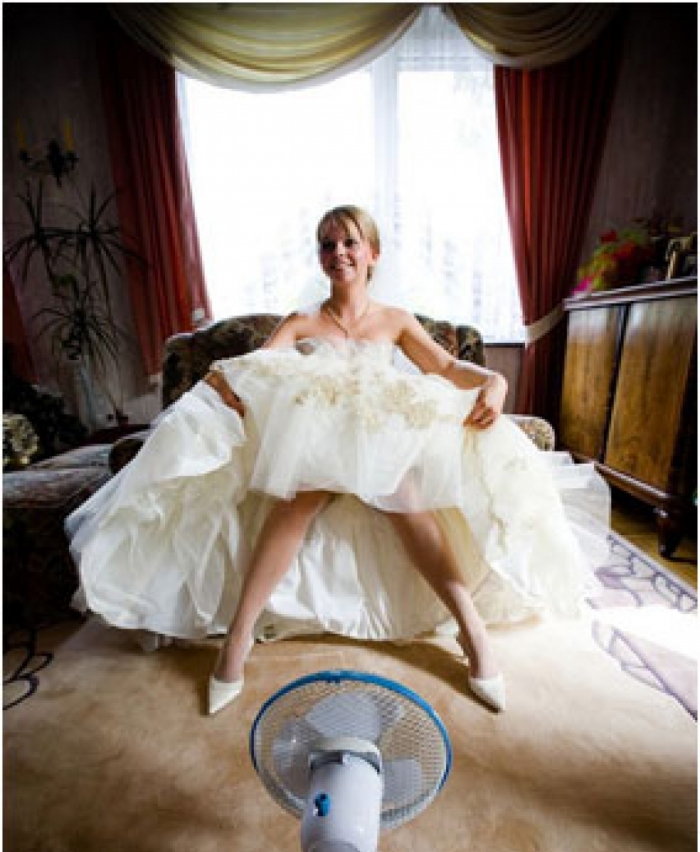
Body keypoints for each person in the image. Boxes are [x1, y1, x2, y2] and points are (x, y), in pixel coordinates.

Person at [66, 205, 609, 718]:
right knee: (298, 498)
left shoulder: (395, 320)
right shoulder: (302, 321)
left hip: (381, 437)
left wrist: (494, 380)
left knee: (407, 496)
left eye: (350, 242)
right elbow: (260, 367)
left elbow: (446, 368)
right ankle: (237, 639)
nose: (339, 252)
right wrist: (222, 380)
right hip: (320, 440)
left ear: (373, 252)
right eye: (328, 245)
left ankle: (473, 633)